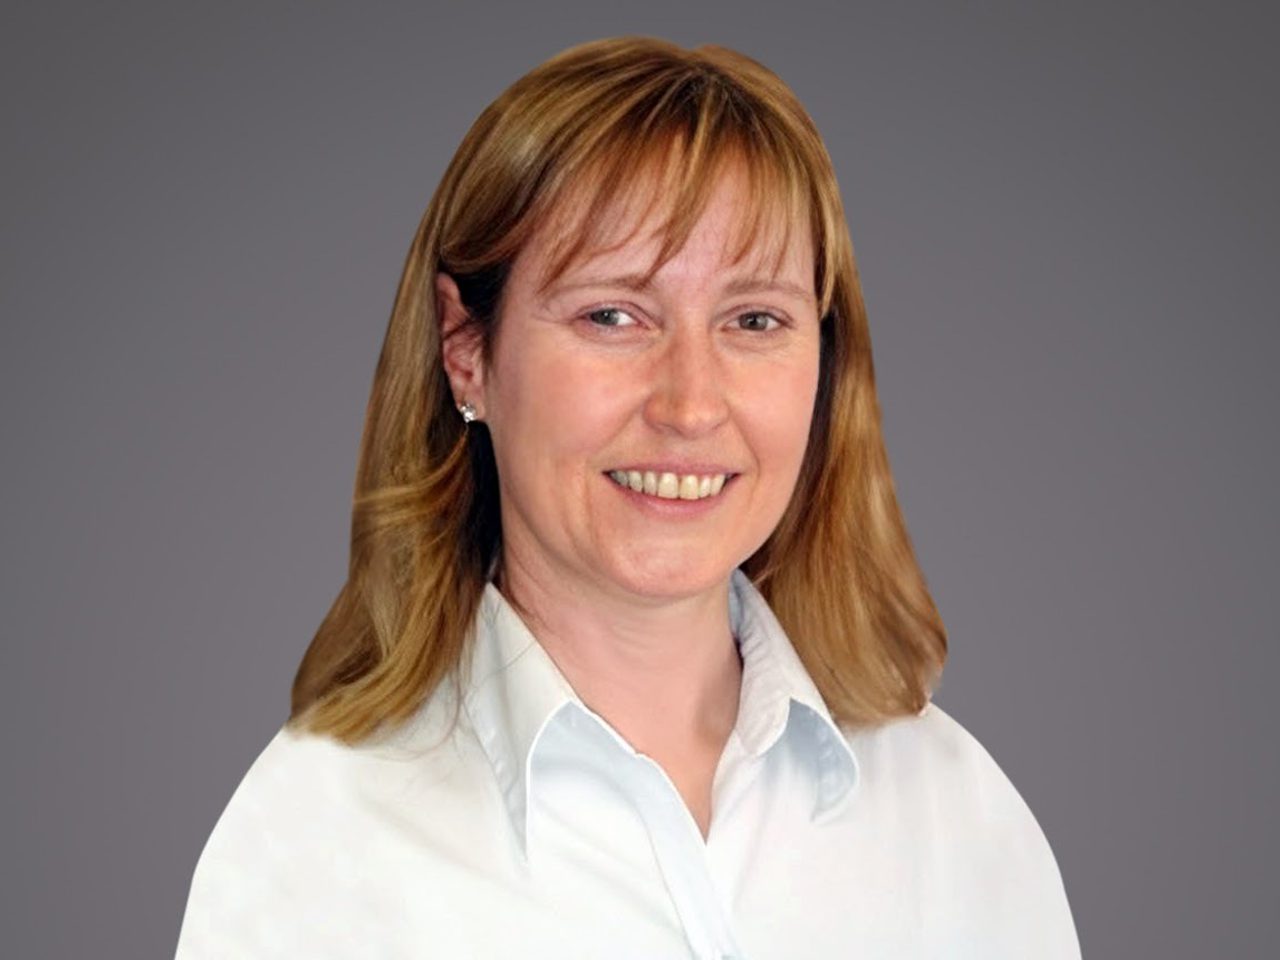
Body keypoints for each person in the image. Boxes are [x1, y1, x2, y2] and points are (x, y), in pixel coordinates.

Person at [174, 36, 1081, 959]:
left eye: (754, 319)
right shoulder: (316, 846)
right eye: (612, 315)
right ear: (466, 350)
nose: (690, 405)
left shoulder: (955, 818)